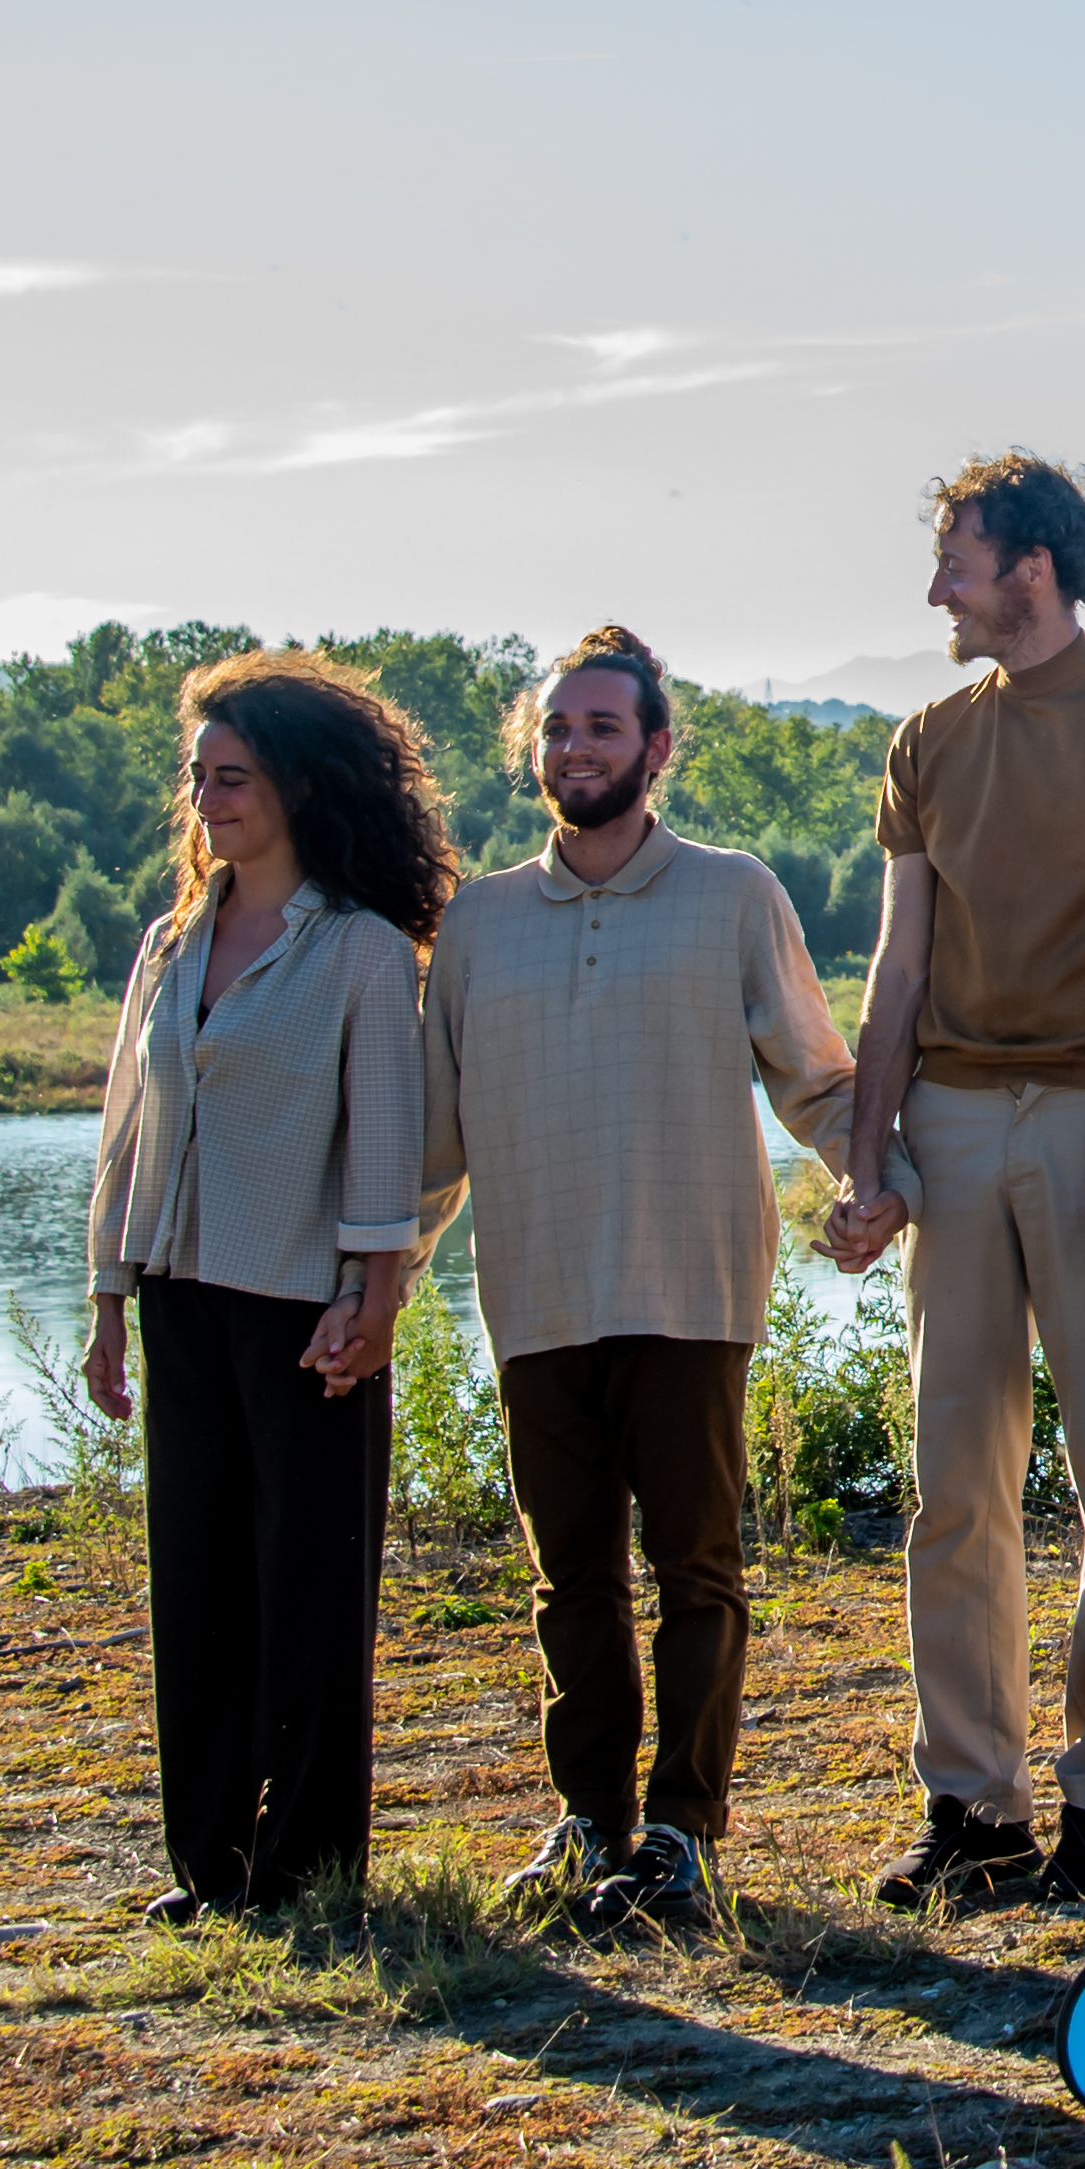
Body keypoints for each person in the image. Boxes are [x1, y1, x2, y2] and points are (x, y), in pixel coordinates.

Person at [416, 622, 861, 1938]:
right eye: (559, 729)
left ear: (656, 749)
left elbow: (813, 1076)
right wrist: (374, 1278)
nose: (579, 748)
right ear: (534, 752)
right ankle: (587, 1823)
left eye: (605, 728)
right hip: (539, 1291)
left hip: (690, 1281)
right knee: (570, 1583)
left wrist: (872, 1182)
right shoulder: (480, 921)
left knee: (696, 1570)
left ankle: (683, 1829)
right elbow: (438, 1137)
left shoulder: (732, 894)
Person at [826, 453, 1085, 1910]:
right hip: (951, 1117)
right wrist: (867, 1164)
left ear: (1035, 571)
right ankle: (973, 1805)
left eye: (959, 560)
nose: (939, 588)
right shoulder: (928, 739)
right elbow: (897, 964)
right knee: (954, 1485)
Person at [81, 651, 453, 1925]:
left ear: (297, 784)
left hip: (308, 1312)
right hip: (181, 1296)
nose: (207, 800)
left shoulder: (358, 949)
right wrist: (107, 1299)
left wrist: (375, 1293)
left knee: (307, 1591)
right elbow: (128, 1130)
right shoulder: (170, 941)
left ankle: (304, 1870)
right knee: (195, 1584)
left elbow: (388, 1138)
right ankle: (208, 1868)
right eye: (196, 779)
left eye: (231, 777)